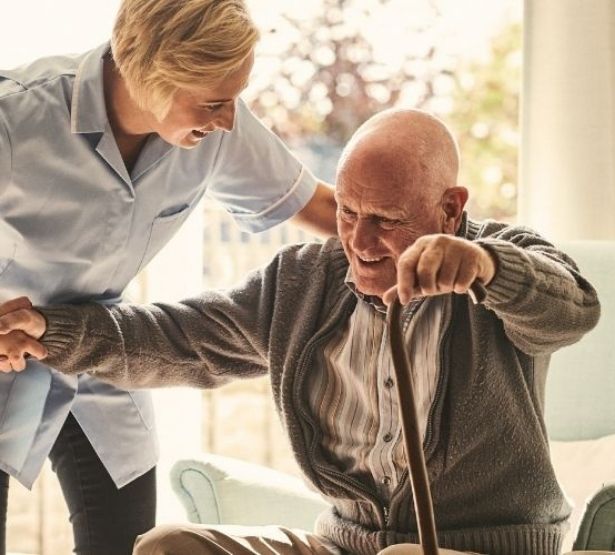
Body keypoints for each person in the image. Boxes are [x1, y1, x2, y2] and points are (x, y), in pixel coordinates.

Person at [0, 109, 600, 555]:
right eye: (346, 213)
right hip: (343, 545)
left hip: (481, 548)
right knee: (167, 547)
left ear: (450, 207)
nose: (360, 244)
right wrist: (51, 331)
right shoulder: (306, 280)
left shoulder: (501, 260)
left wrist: (486, 267)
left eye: (387, 221)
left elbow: (573, 309)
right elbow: (179, 338)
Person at [0, 0, 337, 553]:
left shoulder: (215, 125)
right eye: (213, 102)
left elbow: (324, 208)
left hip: (102, 358)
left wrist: (459, 245)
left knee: (130, 544)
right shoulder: (15, 117)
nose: (228, 119)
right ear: (149, 75)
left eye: (233, 98)